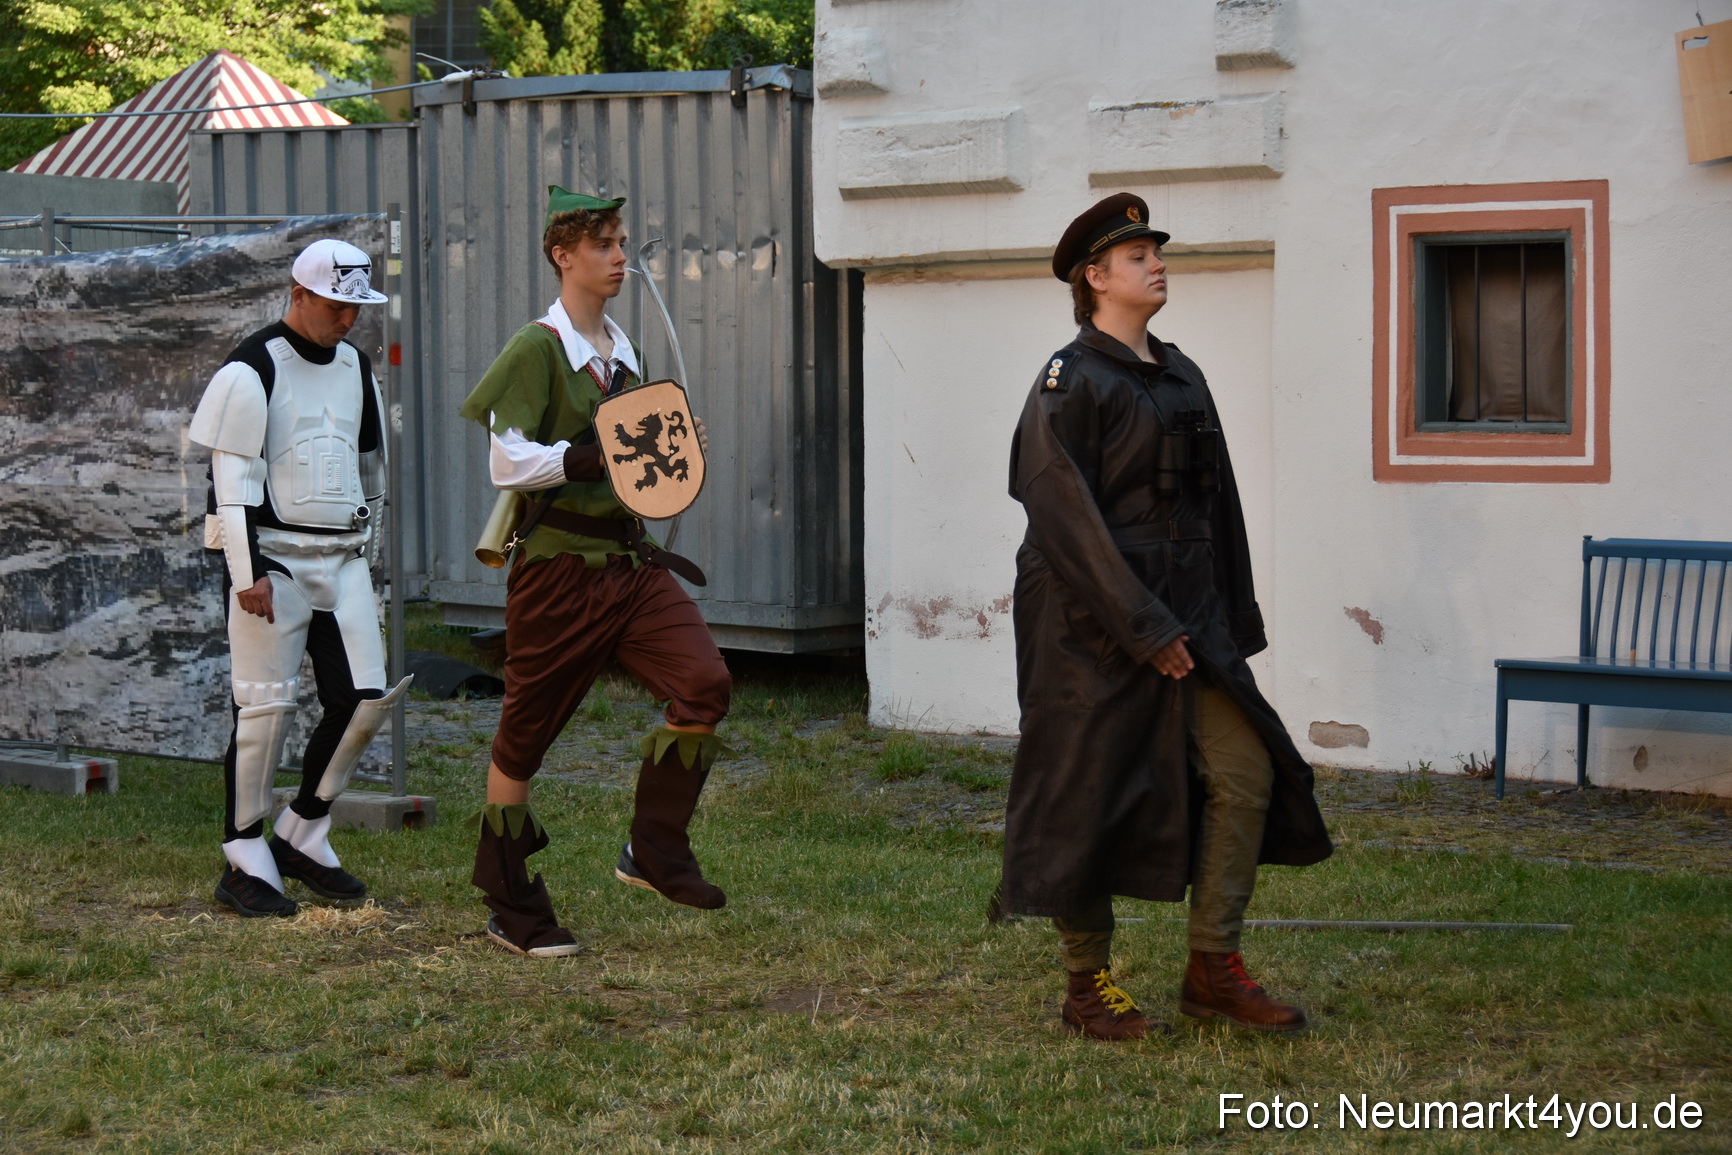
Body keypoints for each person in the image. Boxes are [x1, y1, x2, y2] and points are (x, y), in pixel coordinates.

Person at [1001, 193, 1333, 1040]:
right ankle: (1086, 986)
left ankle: (1211, 968)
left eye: (1155, 250)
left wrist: (1229, 615)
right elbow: (1058, 510)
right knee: (1086, 791)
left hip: (1189, 618)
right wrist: (1141, 626)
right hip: (1085, 624)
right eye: (1136, 254)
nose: (1155, 262)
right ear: (1095, 277)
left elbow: (1215, 502)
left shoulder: (1182, 374)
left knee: (1246, 768)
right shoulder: (1069, 382)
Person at [458, 186, 732, 959]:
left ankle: (654, 850)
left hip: (628, 560)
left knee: (704, 683)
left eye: (621, 243)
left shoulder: (626, 351)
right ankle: (510, 905)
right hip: (557, 572)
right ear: (563, 254)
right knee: (522, 744)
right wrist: (591, 454)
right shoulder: (537, 349)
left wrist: (677, 439)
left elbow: (641, 460)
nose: (620, 258)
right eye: (605, 244)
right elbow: (506, 460)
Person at [188, 237, 410, 918]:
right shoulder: (252, 366)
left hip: (340, 556)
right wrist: (245, 570)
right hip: (274, 563)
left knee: (364, 699)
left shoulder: (355, 366)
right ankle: (243, 848)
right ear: (300, 293)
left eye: (357, 308)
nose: (349, 320)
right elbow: (230, 479)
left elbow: (368, 462)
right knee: (263, 709)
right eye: (338, 305)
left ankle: (304, 828)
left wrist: (369, 544)